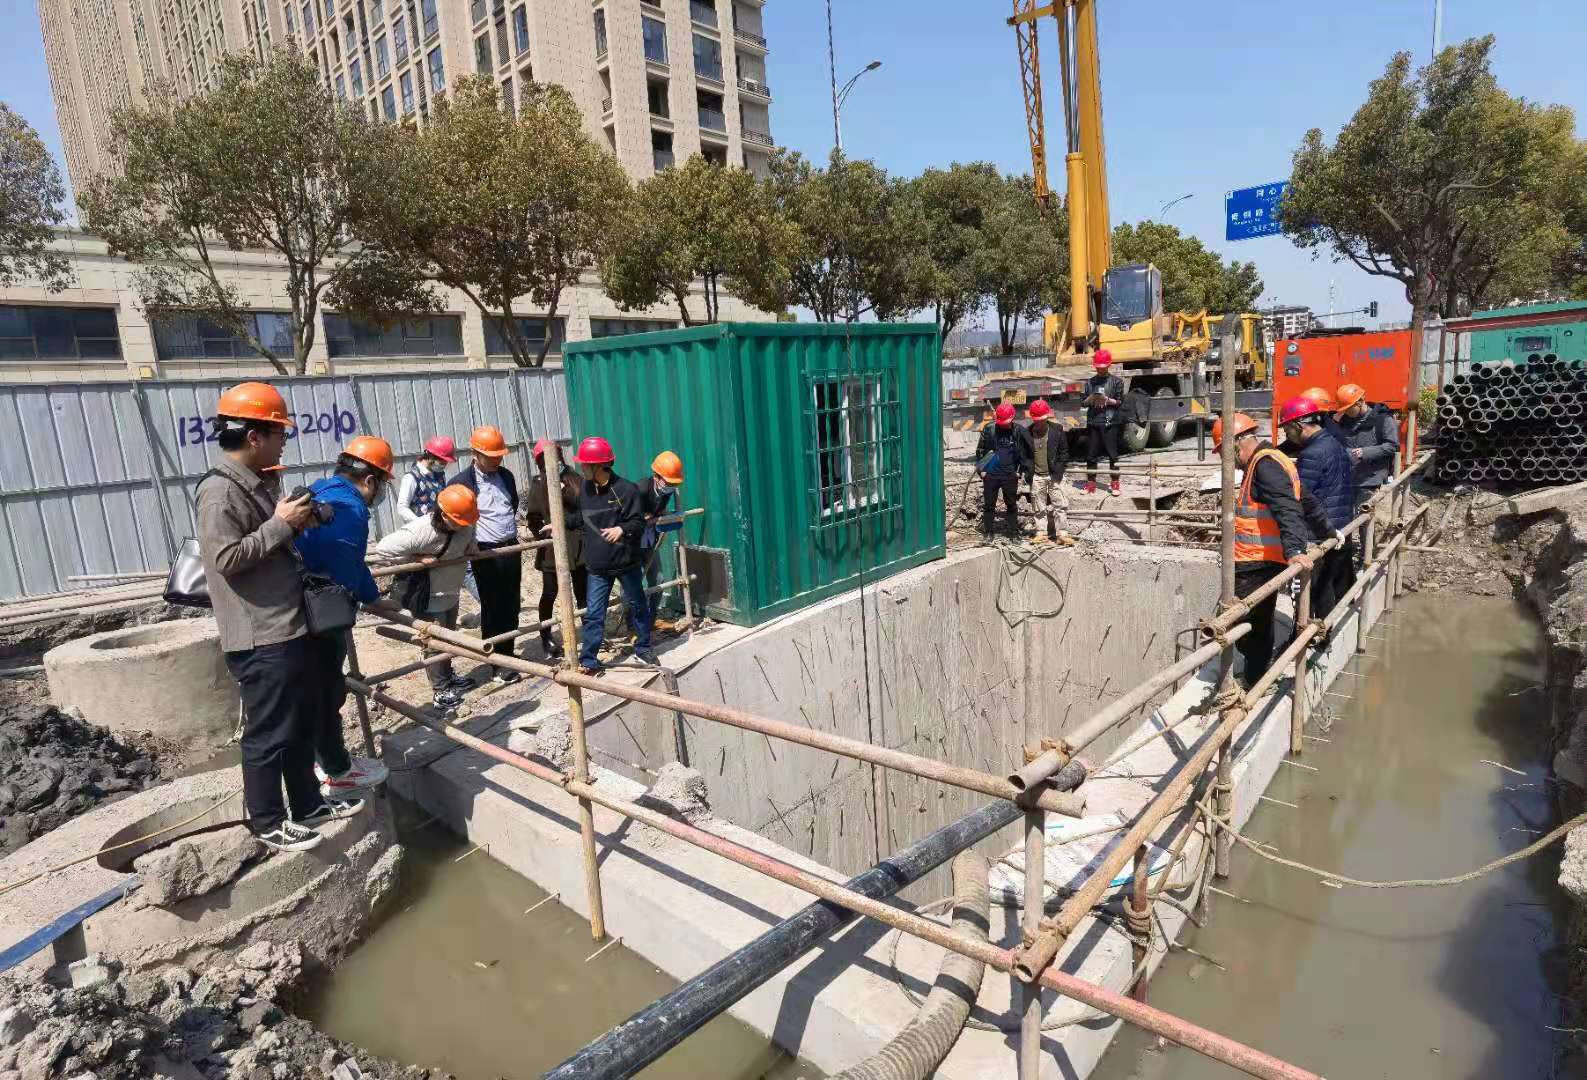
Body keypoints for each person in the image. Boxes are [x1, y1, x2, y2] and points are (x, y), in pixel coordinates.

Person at [196, 382, 363, 854]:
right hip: (260, 636)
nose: (284, 442)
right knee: (268, 734)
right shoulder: (219, 493)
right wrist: (280, 524)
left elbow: (266, 544)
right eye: (279, 433)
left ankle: (307, 804)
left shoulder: (251, 484)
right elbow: (225, 558)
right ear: (254, 437)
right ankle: (268, 820)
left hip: (287, 627)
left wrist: (294, 522)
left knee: (299, 723)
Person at [292, 435, 393, 798]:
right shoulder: (350, 509)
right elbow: (345, 568)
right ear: (370, 480)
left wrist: (373, 595)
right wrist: (369, 598)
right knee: (326, 691)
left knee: (312, 692)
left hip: (296, 609)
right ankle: (337, 771)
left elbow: (348, 560)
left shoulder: (320, 490)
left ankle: (323, 761)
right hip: (320, 614)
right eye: (382, 485)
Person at [1217, 412, 1327, 690]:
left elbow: (1287, 507)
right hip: (1261, 559)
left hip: (1257, 562)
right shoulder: (1273, 460)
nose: (1227, 461)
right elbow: (1304, 499)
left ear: (1236, 444)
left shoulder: (1264, 466)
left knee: (1245, 624)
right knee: (1258, 621)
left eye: (1224, 453)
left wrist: (1295, 550)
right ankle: (1256, 675)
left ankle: (1253, 680)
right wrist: (1328, 530)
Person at [371, 485, 480, 712]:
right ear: (444, 515)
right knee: (435, 643)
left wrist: (472, 545)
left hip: (451, 590)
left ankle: (448, 676)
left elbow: (470, 534)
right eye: (459, 522)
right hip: (429, 595)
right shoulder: (421, 530)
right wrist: (415, 559)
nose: (464, 526)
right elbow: (383, 549)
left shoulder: (466, 524)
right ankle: (440, 690)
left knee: (449, 637)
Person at [569, 436, 654, 674]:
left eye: (585, 464)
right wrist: (560, 523)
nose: (581, 467)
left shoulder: (627, 490)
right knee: (594, 614)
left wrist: (622, 529)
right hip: (597, 567)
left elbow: (638, 522)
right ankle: (588, 661)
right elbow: (582, 517)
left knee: (638, 606)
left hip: (626, 563)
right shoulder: (585, 489)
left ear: (599, 466)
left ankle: (644, 648)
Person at [452, 425, 523, 681]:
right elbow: (455, 518)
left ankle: (509, 654)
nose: (497, 460)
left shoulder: (506, 476)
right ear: (475, 454)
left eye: (499, 456)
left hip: (511, 547)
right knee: (493, 606)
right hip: (484, 551)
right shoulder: (462, 483)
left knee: (512, 604)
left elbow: (513, 504)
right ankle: (495, 662)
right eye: (491, 456)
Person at [1279, 394, 1357, 620]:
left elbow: (1302, 495)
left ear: (1298, 425)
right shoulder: (1334, 442)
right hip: (1342, 524)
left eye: (1287, 430)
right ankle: (1343, 625)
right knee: (1340, 583)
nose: (1287, 435)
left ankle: (1318, 632)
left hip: (1321, 532)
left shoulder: (1311, 453)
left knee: (1319, 591)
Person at [522, 439, 587, 661]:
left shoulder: (574, 478)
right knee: (550, 593)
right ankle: (546, 636)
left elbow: (583, 507)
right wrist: (543, 534)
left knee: (582, 592)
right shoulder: (538, 483)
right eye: (543, 458)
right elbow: (533, 518)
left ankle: (589, 632)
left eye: (556, 455)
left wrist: (564, 491)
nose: (552, 460)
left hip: (577, 546)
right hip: (551, 549)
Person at [1333, 383, 1400, 503]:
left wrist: (1365, 452)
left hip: (1371, 480)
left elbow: (1392, 446)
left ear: (1360, 402)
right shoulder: (1345, 421)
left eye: (1348, 408)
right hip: (1349, 478)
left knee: (1363, 512)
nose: (1345, 412)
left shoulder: (1383, 419)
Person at [975, 403, 1032, 540]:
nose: (1004, 425)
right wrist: (982, 471)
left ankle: (1013, 532)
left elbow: (1025, 454)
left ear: (1012, 418)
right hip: (991, 475)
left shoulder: (1019, 431)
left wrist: (1019, 471)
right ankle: (988, 533)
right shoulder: (989, 429)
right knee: (989, 505)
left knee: (1011, 505)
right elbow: (980, 450)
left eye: (1006, 422)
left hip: (1010, 475)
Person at [1025, 400, 1071, 542]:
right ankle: (1041, 533)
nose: (1039, 422)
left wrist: (1059, 470)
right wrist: (1029, 472)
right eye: (1037, 420)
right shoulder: (1027, 433)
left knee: (1060, 505)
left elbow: (1064, 452)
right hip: (1037, 476)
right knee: (1038, 507)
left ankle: (1062, 534)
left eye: (1042, 419)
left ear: (1047, 416)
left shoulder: (1057, 430)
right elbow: (1024, 455)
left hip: (1054, 475)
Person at [1082, 350, 1126, 496]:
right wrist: (1090, 399)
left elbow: (1120, 401)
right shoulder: (1089, 382)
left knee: (1113, 455)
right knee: (1091, 455)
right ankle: (1090, 484)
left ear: (1108, 365)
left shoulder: (1117, 382)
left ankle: (1115, 483)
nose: (1100, 369)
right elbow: (1083, 402)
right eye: (1098, 367)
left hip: (1110, 422)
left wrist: (1107, 400)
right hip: (1094, 422)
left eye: (1103, 367)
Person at [397, 435, 455, 524]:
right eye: (442, 461)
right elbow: (402, 508)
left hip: (439, 526)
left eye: (446, 462)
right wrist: (419, 523)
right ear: (430, 456)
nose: (444, 464)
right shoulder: (411, 478)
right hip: (420, 528)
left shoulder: (439, 475)